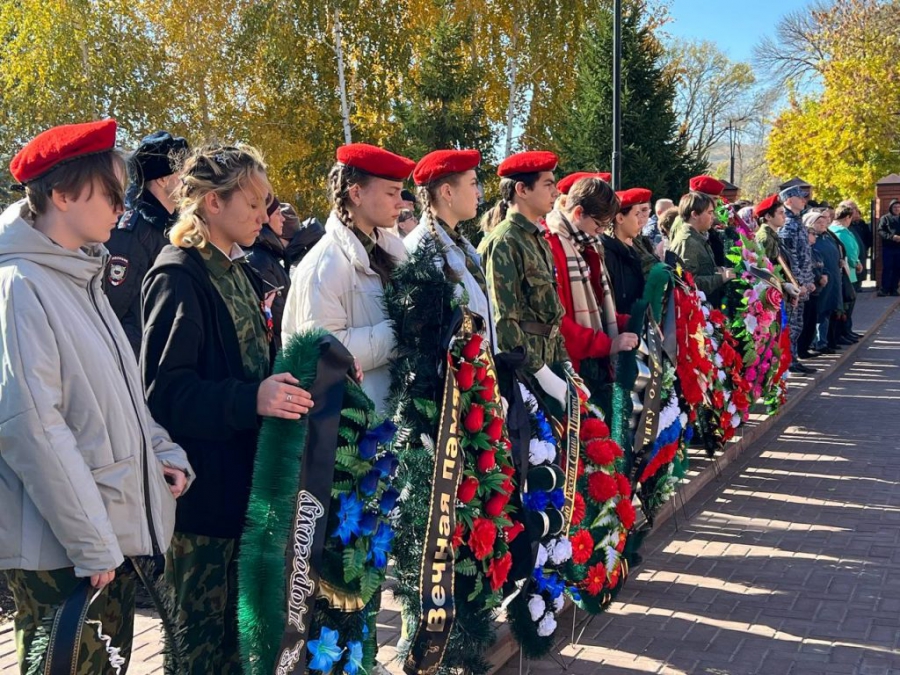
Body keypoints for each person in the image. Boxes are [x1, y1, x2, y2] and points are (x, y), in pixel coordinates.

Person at [1, 119, 192, 673]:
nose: (122, 206)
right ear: (62, 194)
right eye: (111, 192)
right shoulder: (22, 286)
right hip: (64, 552)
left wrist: (161, 452)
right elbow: (33, 429)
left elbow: (119, 395)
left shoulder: (79, 275)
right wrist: (92, 544)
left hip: (98, 543)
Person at [141, 143, 314, 673]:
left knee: (241, 650)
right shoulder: (178, 275)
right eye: (254, 202)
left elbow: (250, 365)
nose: (264, 214)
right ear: (213, 203)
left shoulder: (236, 269)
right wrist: (251, 399)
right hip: (202, 507)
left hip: (243, 492)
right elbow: (164, 394)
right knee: (197, 651)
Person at [282, 143, 412, 414]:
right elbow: (321, 352)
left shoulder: (393, 250)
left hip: (395, 413)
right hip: (356, 423)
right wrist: (404, 329)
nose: (401, 202)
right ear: (356, 193)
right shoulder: (323, 266)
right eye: (391, 192)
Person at [479, 150, 571, 408]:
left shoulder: (537, 239)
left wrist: (564, 364)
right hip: (523, 373)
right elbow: (503, 321)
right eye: (548, 184)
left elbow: (552, 313)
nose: (555, 192)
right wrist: (541, 372)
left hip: (548, 360)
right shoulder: (505, 241)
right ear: (522, 189)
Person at [104, 130, 189, 356]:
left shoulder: (174, 227)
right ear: (162, 179)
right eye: (183, 173)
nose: (189, 182)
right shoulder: (132, 232)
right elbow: (115, 312)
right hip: (140, 360)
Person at [544, 175, 638, 378]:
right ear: (578, 213)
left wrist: (629, 321)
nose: (600, 233)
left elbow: (599, 305)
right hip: (572, 365)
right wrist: (607, 344)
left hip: (593, 358)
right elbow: (559, 321)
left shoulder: (586, 245)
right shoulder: (552, 245)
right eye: (598, 225)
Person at [405, 149, 494, 342]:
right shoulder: (422, 249)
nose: (478, 193)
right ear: (447, 192)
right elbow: (424, 334)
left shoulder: (460, 244)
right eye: (473, 184)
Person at [669, 191, 735, 308]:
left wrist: (718, 270)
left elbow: (703, 270)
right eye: (709, 213)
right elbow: (688, 283)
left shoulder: (697, 237)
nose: (713, 217)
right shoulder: (688, 242)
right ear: (694, 214)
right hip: (696, 308)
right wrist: (721, 278)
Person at [778, 185, 817, 374]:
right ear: (788, 200)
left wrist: (809, 280)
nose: (804, 200)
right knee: (791, 326)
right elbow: (790, 260)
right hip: (795, 286)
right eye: (799, 197)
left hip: (803, 284)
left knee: (798, 325)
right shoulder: (788, 225)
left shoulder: (798, 222)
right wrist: (800, 283)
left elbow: (805, 256)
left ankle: (793, 359)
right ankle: (788, 362)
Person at [246, 194, 291, 350]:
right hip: (276, 352)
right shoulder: (260, 260)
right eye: (278, 213)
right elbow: (278, 318)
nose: (283, 219)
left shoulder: (268, 255)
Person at [602, 188, 651, 313]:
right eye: (636, 214)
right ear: (620, 218)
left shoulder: (630, 251)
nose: (640, 221)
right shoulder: (607, 254)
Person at [810, 209, 842, 354]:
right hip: (819, 281)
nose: (823, 224)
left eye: (824, 221)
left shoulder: (827, 237)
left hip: (832, 279)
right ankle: (815, 342)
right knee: (818, 312)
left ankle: (823, 341)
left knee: (827, 310)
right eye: (819, 222)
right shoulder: (812, 240)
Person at [830, 204, 862, 344]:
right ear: (847, 217)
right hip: (848, 271)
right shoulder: (840, 232)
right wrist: (856, 262)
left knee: (848, 303)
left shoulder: (840, 230)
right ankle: (843, 332)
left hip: (849, 271)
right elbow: (849, 250)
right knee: (847, 303)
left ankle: (847, 330)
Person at [798, 211, 828, 359]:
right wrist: (816, 278)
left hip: (816, 291)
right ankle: (801, 349)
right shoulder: (803, 251)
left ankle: (806, 347)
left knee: (811, 321)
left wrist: (825, 275)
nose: (815, 236)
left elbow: (822, 265)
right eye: (812, 234)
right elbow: (806, 268)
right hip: (808, 290)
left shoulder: (815, 251)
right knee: (805, 322)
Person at [877, 199, 900, 296]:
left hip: (899, 248)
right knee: (887, 268)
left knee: (898, 269)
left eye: (898, 207)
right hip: (888, 248)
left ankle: (894, 289)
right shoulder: (885, 218)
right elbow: (880, 231)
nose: (897, 209)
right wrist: (892, 237)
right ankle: (884, 289)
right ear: (891, 208)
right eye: (895, 207)